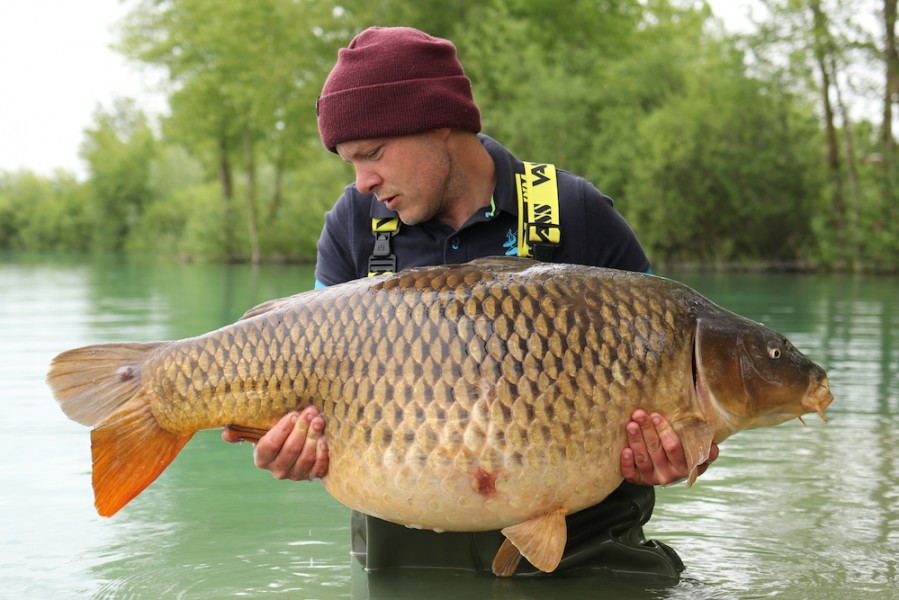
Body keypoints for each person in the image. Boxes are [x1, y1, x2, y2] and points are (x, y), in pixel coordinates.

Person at [222, 26, 718, 579]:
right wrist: (286, 448)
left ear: (440, 123)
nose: (363, 182)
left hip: (584, 557)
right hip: (409, 560)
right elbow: (303, 393)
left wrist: (676, 451)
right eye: (350, 163)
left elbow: (675, 370)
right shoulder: (355, 226)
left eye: (373, 154)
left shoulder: (574, 210)